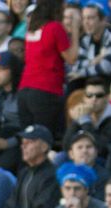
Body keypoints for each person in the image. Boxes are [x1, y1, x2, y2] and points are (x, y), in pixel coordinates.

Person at [18, 0, 81, 139]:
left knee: (27, 141)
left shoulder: (31, 29)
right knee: (43, 140)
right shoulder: (55, 27)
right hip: (45, 91)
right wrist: (75, 29)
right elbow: (71, 58)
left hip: (24, 91)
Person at [69, 2, 111, 87]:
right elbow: (77, 65)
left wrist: (82, 72)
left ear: (103, 20)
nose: (86, 22)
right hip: (95, 82)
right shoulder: (85, 40)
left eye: (90, 18)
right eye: (84, 18)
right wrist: (94, 61)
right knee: (73, 83)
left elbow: (107, 67)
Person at [63, 77, 111, 158]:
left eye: (99, 95)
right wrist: (77, 120)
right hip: (82, 158)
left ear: (107, 98)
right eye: (89, 95)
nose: (94, 99)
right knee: (60, 156)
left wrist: (85, 121)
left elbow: (101, 149)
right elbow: (66, 146)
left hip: (104, 161)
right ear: (84, 98)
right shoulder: (83, 113)